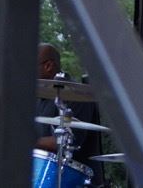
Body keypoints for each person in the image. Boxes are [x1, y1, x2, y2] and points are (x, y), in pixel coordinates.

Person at [35, 43, 106, 185]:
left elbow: (67, 142)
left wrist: (29, 143)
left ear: (48, 66)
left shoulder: (76, 96)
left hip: (73, 179)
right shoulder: (40, 97)